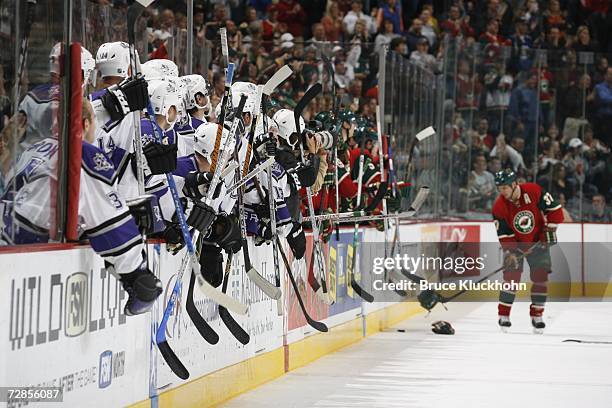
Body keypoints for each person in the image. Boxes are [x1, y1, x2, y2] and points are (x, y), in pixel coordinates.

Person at [492, 169, 564, 332]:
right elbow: (504, 233)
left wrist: (549, 231)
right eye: (499, 188)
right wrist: (510, 253)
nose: (502, 192)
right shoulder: (499, 206)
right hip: (516, 245)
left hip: (539, 243)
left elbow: (555, 210)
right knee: (511, 278)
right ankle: (504, 315)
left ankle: (537, 315)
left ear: (514, 184)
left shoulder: (533, 191)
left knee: (541, 277)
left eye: (504, 187)